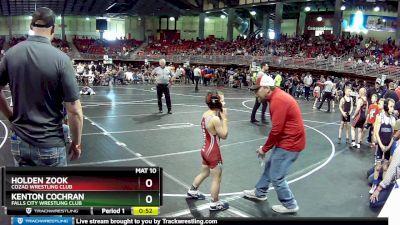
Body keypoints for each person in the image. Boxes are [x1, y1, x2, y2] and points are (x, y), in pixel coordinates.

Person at [0, 7, 83, 167]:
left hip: (20, 141)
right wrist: (77, 143)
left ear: (31, 27)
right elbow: (74, 111)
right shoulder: (61, 59)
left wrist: (11, 116)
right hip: (50, 144)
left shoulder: (11, 54)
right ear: (54, 28)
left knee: (26, 190)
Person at [243, 75, 306, 214]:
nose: (255, 93)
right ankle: (259, 192)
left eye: (257, 90)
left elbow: (277, 130)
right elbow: (279, 129)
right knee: (270, 166)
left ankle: (290, 204)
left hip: (290, 143)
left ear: (266, 88)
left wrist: (264, 149)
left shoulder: (278, 100)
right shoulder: (276, 97)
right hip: (287, 140)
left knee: (276, 176)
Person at [187, 91, 229, 211]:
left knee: (205, 172)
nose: (224, 102)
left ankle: (192, 191)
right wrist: (225, 119)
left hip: (205, 149)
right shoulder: (215, 119)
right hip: (213, 152)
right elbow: (224, 135)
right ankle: (215, 203)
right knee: (217, 178)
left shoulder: (205, 114)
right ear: (217, 103)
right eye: (222, 100)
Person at [370, 98, 395, 194]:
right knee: (377, 167)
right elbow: (376, 132)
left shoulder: (393, 119)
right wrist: (380, 145)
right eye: (391, 106)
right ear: (385, 107)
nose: (392, 109)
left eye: (393, 106)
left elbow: (393, 135)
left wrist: (388, 146)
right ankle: (374, 185)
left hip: (388, 146)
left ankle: (382, 187)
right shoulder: (380, 117)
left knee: (385, 167)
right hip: (380, 146)